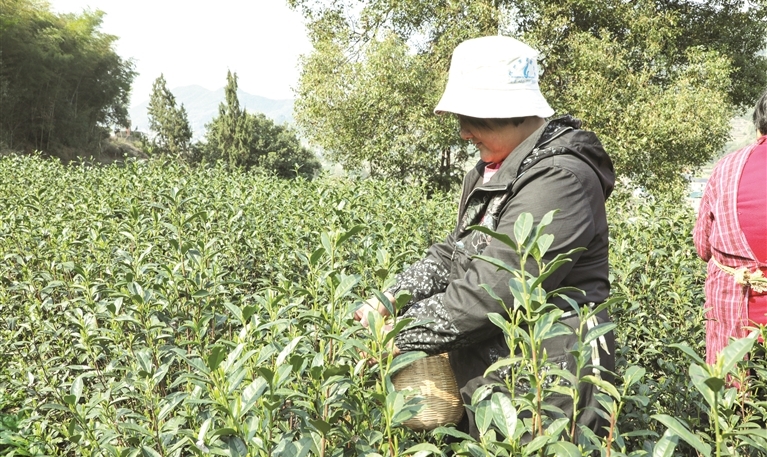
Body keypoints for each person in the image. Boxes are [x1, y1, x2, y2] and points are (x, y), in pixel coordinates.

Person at [354, 35, 616, 439]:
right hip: (491, 369)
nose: (463, 133)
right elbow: (453, 254)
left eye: (471, 119)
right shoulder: (489, 170)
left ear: (508, 110)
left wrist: (399, 336)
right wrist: (389, 300)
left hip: (550, 378)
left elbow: (496, 290)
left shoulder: (560, 178)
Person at [694, 90, 767, 365]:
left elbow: (703, 246)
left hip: (735, 328)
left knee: (735, 404)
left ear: (759, 127)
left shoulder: (725, 168)